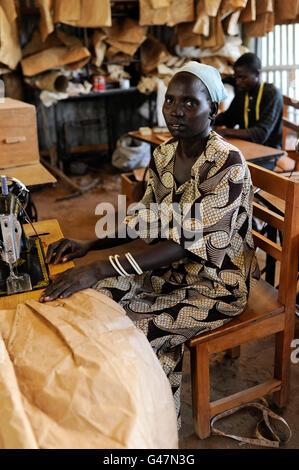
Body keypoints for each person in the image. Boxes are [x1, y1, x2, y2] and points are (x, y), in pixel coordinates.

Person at [39, 62, 260, 426]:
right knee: (87, 304)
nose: (176, 111)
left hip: (214, 285)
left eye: (190, 103)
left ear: (214, 109)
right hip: (166, 272)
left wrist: (99, 266)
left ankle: (150, 428)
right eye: (170, 100)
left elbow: (187, 242)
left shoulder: (229, 166)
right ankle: (145, 418)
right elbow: (145, 216)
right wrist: (89, 244)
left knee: (134, 337)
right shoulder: (163, 154)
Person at [214, 52, 283, 170]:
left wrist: (225, 132)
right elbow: (229, 117)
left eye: (242, 77)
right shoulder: (243, 91)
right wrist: (206, 120)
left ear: (257, 73)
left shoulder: (271, 93)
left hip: (269, 153)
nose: (238, 82)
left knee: (229, 169)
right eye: (236, 77)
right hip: (247, 148)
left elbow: (261, 133)